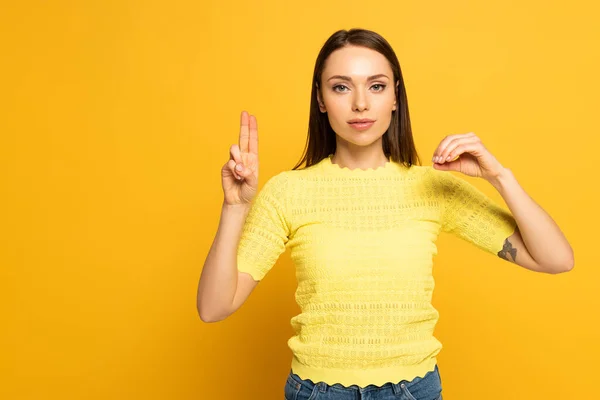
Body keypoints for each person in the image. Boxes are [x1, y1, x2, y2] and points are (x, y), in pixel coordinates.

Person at [197, 28, 574, 400]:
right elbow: (214, 308)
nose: (360, 103)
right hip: (319, 392)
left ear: (396, 96)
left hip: (414, 389)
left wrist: (500, 178)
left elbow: (556, 259)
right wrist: (235, 206)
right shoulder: (288, 192)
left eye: (376, 86)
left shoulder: (433, 187)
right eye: (341, 87)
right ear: (321, 99)